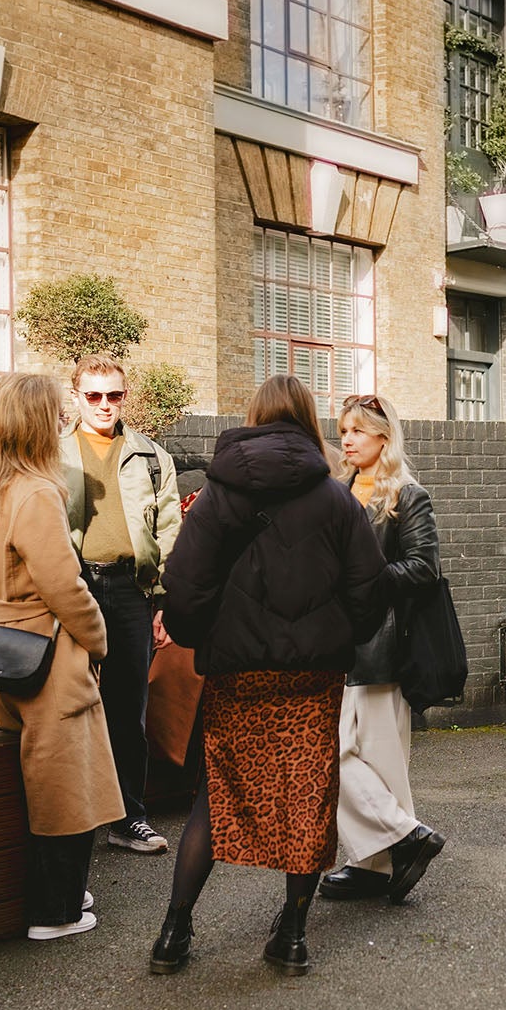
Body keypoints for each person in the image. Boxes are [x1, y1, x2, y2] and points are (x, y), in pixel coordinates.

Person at [152, 376, 385, 977]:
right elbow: (370, 589)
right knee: (309, 795)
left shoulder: (217, 493)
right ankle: (293, 938)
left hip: (239, 676)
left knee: (218, 792)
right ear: (308, 420)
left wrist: (202, 636)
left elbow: (184, 583)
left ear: (255, 417)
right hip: (312, 679)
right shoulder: (337, 498)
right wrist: (340, 636)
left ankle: (173, 934)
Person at [0, 374, 125, 942]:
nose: (66, 421)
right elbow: (64, 584)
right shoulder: (37, 491)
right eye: (57, 414)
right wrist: (99, 639)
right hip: (50, 650)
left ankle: (56, 896)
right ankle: (55, 910)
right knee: (67, 785)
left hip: (5, 647)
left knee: (40, 778)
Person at [319, 392, 446, 904]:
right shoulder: (339, 489)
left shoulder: (407, 495)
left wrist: (363, 581)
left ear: (383, 437)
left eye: (356, 431)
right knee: (332, 751)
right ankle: (401, 842)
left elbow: (424, 567)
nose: (345, 439)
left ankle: (377, 865)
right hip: (335, 643)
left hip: (384, 646)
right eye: (343, 430)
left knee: (382, 758)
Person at [59, 353, 181, 856]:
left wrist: (165, 601)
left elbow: (170, 530)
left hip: (132, 591)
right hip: (74, 588)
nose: (104, 405)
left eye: (114, 395)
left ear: (125, 396)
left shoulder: (152, 456)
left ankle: (128, 817)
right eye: (93, 395)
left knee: (129, 709)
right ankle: (73, 822)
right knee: (70, 708)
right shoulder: (53, 452)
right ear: (76, 397)